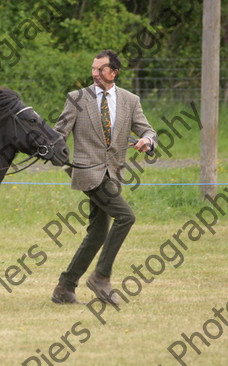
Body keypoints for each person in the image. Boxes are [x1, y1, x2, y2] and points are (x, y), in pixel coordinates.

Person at [51, 49, 158, 306]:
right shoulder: (77, 98)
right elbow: (59, 132)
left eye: (101, 69)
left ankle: (65, 287)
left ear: (114, 72)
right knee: (125, 216)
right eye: (93, 69)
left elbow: (147, 130)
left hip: (113, 174)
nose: (95, 74)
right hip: (89, 172)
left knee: (98, 233)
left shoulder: (130, 100)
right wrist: (51, 149)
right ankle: (101, 276)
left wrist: (147, 141)